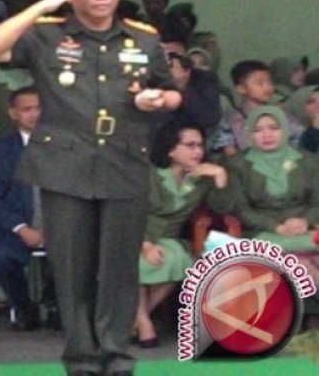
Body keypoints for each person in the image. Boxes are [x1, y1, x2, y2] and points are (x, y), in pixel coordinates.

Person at [0, 0, 181, 376]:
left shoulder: (142, 39)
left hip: (123, 161)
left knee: (119, 267)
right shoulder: (46, 35)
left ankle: (116, 355)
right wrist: (42, 6)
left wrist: (159, 99)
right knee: (72, 267)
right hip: (65, 166)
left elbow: (172, 90)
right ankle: (82, 358)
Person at [136, 121, 234, 348]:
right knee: (138, 262)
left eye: (200, 145)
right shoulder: (151, 175)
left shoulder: (201, 179)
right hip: (135, 235)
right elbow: (130, 214)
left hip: (169, 239)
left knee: (177, 259)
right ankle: (143, 324)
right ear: (171, 150)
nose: (197, 151)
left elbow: (223, 207)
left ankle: (136, 320)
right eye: (190, 145)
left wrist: (220, 177)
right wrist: (145, 244)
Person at [226, 106, 319, 288]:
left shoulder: (308, 161)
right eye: (258, 130)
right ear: (250, 135)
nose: (267, 135)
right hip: (263, 232)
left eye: (273, 128)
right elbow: (240, 209)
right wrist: (275, 226)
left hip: (304, 229)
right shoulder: (237, 164)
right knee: (302, 268)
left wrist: (304, 221)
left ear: (284, 130)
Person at [0, 86, 47, 331]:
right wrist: (21, 228)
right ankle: (22, 305)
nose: (34, 114)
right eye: (27, 109)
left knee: (82, 254)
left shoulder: (64, 147)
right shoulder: (0, 151)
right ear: (13, 114)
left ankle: (54, 303)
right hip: (16, 228)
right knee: (0, 258)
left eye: (39, 108)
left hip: (60, 227)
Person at [210, 60, 303, 156]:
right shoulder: (231, 118)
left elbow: (296, 142)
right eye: (259, 83)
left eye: (270, 82)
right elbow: (229, 152)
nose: (267, 87)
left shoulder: (282, 114)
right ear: (241, 88)